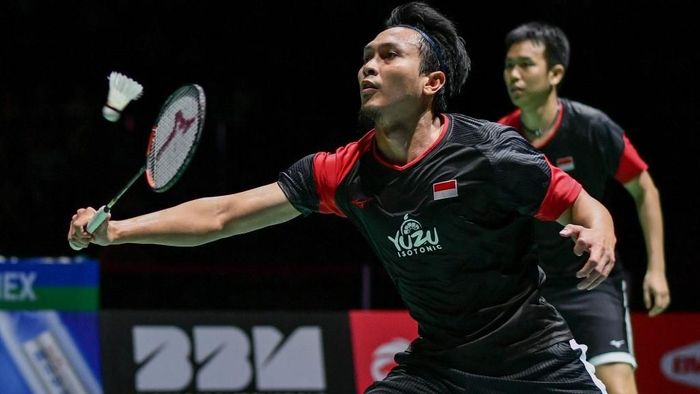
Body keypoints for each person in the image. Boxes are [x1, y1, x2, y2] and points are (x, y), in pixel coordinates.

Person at [70, 3, 615, 392]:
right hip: (439, 368)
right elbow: (223, 215)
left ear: (431, 82)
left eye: (388, 55)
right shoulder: (343, 173)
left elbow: (583, 202)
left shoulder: (488, 155)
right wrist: (118, 231)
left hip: (534, 361)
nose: (368, 67)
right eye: (366, 57)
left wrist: (600, 232)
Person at [498, 21, 670, 394]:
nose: (513, 75)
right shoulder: (500, 139)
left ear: (555, 72)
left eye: (525, 64)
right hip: (530, 289)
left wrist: (656, 270)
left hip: (591, 282)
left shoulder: (592, 128)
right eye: (509, 65)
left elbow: (645, 191)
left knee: (617, 383)